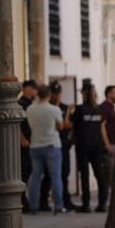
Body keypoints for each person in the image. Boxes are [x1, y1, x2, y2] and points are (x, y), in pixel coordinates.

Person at [26, 85, 68, 214]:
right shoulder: (54, 109)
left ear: (38, 94)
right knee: (56, 177)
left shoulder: (30, 109)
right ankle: (59, 205)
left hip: (35, 145)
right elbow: (61, 127)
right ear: (49, 95)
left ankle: (33, 206)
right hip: (52, 145)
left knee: (35, 176)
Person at [71, 82, 109, 213]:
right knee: (100, 174)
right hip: (97, 145)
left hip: (83, 146)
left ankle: (86, 204)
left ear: (84, 94)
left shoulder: (80, 109)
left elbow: (71, 125)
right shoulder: (99, 109)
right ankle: (102, 203)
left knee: (85, 175)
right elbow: (102, 126)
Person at [41, 82, 76, 211]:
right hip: (50, 145)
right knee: (48, 175)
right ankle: (43, 201)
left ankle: (66, 201)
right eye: (54, 93)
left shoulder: (65, 108)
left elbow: (69, 125)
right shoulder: (47, 108)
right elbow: (59, 125)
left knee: (64, 174)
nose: (57, 96)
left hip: (63, 145)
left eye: (58, 93)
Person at [99, 85, 115, 211]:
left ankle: (105, 202)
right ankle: (105, 202)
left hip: (114, 143)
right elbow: (102, 126)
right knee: (110, 175)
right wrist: (107, 144)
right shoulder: (105, 108)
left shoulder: (113, 108)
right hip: (110, 144)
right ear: (109, 94)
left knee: (111, 175)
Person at [19, 79, 37, 212]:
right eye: (34, 88)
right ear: (27, 89)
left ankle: (26, 201)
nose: (35, 91)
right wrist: (22, 139)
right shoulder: (21, 104)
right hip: (24, 144)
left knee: (29, 171)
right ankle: (23, 201)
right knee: (24, 171)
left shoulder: (32, 103)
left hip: (32, 142)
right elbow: (18, 123)